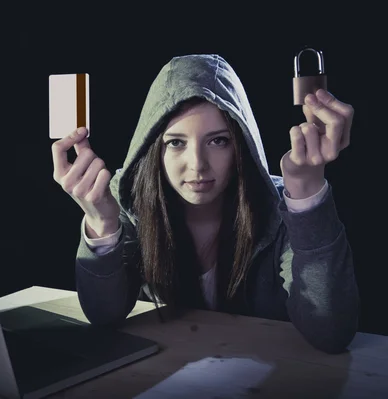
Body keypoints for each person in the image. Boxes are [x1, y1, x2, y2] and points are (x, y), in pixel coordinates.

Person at [51, 53, 359, 354]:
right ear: (153, 148)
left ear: (241, 145)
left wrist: (307, 194)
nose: (197, 164)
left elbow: (330, 333)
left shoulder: (282, 207)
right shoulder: (128, 200)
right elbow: (104, 315)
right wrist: (103, 226)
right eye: (176, 143)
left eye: (218, 141)